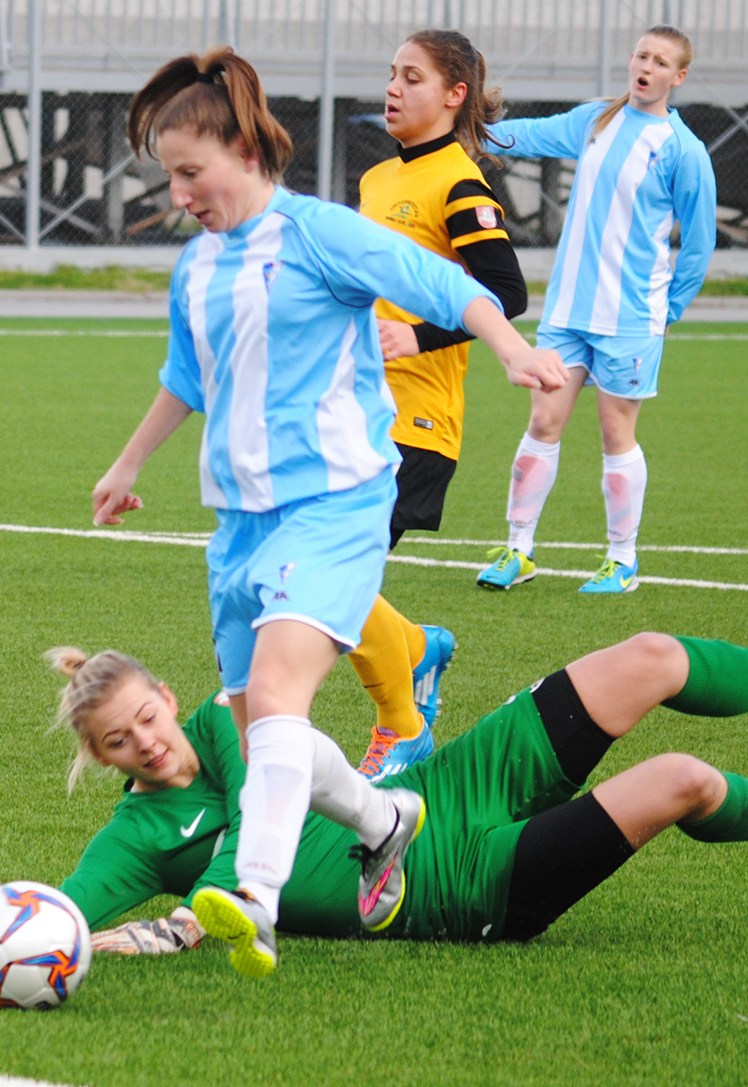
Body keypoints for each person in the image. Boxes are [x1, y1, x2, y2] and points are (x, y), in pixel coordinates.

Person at [87, 47, 567, 977]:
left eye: (191, 171)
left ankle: (250, 901)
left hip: (338, 506)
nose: (181, 193)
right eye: (170, 176)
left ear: (243, 149)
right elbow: (187, 377)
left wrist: (511, 348)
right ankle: (386, 819)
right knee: (261, 725)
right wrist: (129, 460)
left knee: (272, 700)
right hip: (240, 528)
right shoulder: (196, 268)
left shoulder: (320, 234)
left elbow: (452, 287)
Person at [0, 599, 748, 965]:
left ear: (167, 693)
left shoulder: (230, 722)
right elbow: (62, 926)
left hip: (444, 793)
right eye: (119, 743)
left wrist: (208, 906)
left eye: (145, 718)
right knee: (683, 779)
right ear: (103, 760)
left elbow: (250, 814)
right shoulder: (136, 837)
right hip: (456, 890)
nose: (146, 744)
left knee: (646, 656)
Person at [475, 25, 717, 595]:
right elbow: (528, 135)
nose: (646, 66)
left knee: (615, 431)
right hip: (566, 313)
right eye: (640, 55)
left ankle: (622, 560)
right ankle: (518, 549)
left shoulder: (684, 151)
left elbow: (700, 243)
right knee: (542, 421)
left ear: (677, 77)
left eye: (659, 61)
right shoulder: (597, 119)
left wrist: (667, 309)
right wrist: (465, 135)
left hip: (630, 319)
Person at [348, 30, 531, 782]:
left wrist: (415, 335)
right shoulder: (376, 180)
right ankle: (416, 654)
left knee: (325, 580)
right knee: (315, 575)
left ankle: (403, 721)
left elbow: (508, 294)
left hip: (414, 425)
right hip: (352, 414)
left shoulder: (460, 185)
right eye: (391, 73)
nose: (393, 88)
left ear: (454, 96)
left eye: (412, 77)